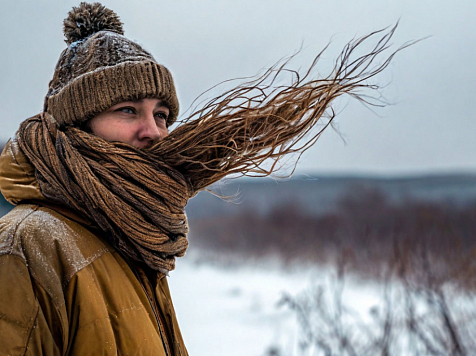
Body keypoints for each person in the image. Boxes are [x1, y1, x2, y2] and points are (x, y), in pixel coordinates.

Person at [0, 2, 404, 355]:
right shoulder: (29, 243)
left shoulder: (130, 237)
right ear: (75, 125)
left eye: (161, 114)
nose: (154, 131)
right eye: (127, 110)